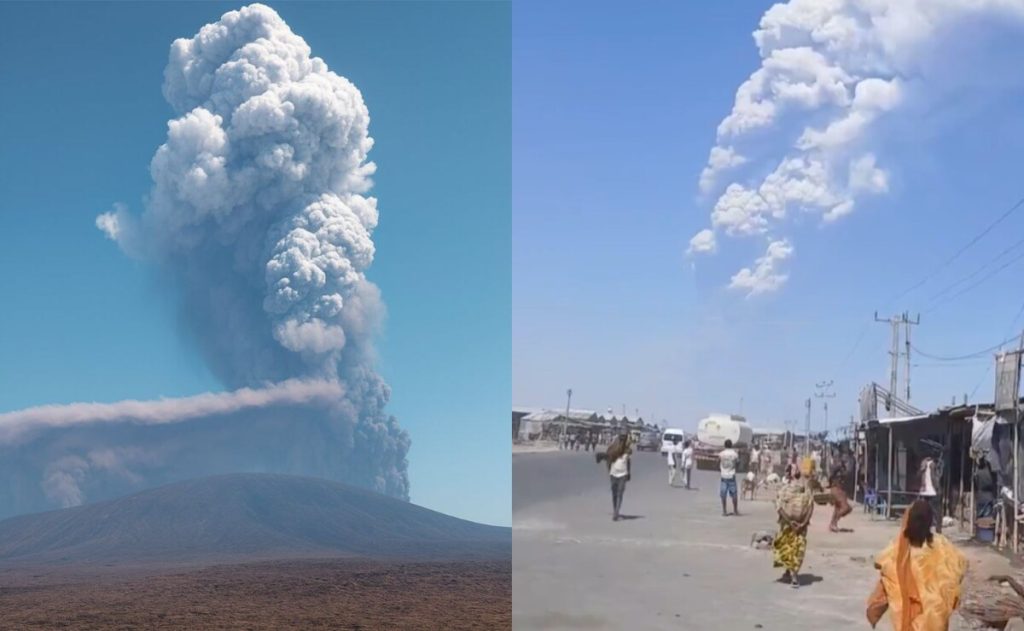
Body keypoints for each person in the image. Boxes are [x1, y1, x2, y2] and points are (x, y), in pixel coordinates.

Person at [867, 499, 968, 631]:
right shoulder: (942, 545)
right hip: (936, 621)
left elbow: (884, 586)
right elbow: (959, 568)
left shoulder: (896, 552)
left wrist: (874, 610)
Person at [773, 469, 813, 588]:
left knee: (798, 549)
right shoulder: (784, 490)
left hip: (800, 526)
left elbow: (810, 507)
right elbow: (779, 508)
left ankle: (794, 575)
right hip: (787, 525)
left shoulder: (806, 491)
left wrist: (803, 523)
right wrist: (791, 522)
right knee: (787, 547)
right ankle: (788, 571)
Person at [596, 433, 632, 521]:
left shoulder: (628, 450)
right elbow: (608, 459)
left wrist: (628, 473)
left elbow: (628, 462)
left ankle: (616, 512)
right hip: (613, 474)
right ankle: (615, 510)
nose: (623, 440)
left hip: (623, 474)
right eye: (622, 438)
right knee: (615, 494)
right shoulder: (612, 449)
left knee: (619, 493)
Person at [919, 456, 942, 533]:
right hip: (933, 492)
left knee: (926, 511)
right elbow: (935, 478)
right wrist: (938, 488)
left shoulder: (923, 464)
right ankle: (938, 530)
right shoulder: (933, 465)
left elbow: (921, 478)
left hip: (925, 492)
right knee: (937, 512)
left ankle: (925, 529)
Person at [829, 461, 853, 533]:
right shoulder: (839, 474)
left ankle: (833, 524)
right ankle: (834, 522)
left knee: (838, 508)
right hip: (837, 489)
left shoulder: (840, 474)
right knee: (846, 508)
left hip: (838, 489)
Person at [719, 439, 740, 516]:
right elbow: (738, 463)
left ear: (725, 445)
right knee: (734, 494)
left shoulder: (721, 454)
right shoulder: (735, 454)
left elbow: (718, 462)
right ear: (731, 445)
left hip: (723, 476)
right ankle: (735, 510)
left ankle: (724, 511)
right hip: (731, 475)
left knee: (723, 494)